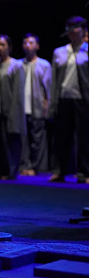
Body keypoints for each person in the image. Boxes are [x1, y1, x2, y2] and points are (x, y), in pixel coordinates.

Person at [48, 16, 89, 183]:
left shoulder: (87, 50)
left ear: (84, 31)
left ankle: (84, 172)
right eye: (69, 28)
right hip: (64, 98)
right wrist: (52, 102)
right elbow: (54, 80)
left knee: (84, 137)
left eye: (75, 28)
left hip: (83, 100)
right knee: (62, 138)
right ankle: (60, 171)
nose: (72, 32)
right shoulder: (59, 52)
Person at [0, 35, 25, 180]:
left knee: (9, 141)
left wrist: (14, 113)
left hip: (8, 110)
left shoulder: (16, 65)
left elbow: (17, 92)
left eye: (3, 45)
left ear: (9, 47)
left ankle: (9, 171)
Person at [19, 33, 51, 176]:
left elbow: (48, 88)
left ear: (37, 46)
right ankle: (25, 165)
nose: (28, 46)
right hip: (22, 109)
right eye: (25, 43)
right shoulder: (18, 64)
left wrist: (46, 107)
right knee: (23, 139)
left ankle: (37, 167)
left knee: (37, 139)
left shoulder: (44, 65)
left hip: (37, 108)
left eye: (31, 43)